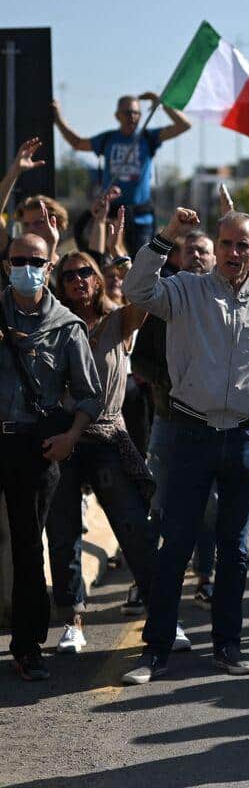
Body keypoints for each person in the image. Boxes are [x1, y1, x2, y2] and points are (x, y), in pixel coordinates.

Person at [121, 208, 249, 685]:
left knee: (234, 549)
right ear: (214, 248)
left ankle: (227, 646)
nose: (233, 253)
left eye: (244, 245)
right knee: (176, 543)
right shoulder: (184, 290)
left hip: (246, 435)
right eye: (226, 244)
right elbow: (135, 291)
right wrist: (165, 239)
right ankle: (155, 651)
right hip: (190, 433)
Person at [45, 251, 159, 653]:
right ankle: (72, 621)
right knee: (62, 535)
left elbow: (144, 297)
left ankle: (161, 618)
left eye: (86, 273)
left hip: (108, 438)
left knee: (133, 526)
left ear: (97, 280)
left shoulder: (117, 322)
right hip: (63, 441)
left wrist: (125, 261)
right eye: (69, 274)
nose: (78, 279)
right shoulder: (52, 325)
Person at [1, 233, 102, 680]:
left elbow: (89, 396)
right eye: (18, 260)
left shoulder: (66, 326)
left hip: (35, 448)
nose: (26, 267)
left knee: (27, 549)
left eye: (35, 261)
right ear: (6, 266)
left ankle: (27, 648)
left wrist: (70, 439)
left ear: (48, 265)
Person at [133, 230, 223, 608]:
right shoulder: (166, 303)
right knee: (158, 500)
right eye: (189, 251)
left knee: (208, 506)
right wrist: (170, 381)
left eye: (203, 250)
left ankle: (206, 577)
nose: (197, 256)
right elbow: (139, 361)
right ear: (179, 259)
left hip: (214, 425)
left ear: (215, 257)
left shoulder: (227, 303)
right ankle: (148, 579)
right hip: (169, 420)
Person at [52, 94, 191, 252]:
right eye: (127, 112)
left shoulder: (147, 137)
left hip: (140, 217)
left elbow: (184, 125)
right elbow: (77, 143)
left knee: (141, 260)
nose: (132, 116)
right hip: (110, 214)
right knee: (102, 258)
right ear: (117, 115)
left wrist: (162, 103)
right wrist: (57, 118)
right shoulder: (108, 139)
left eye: (136, 112)